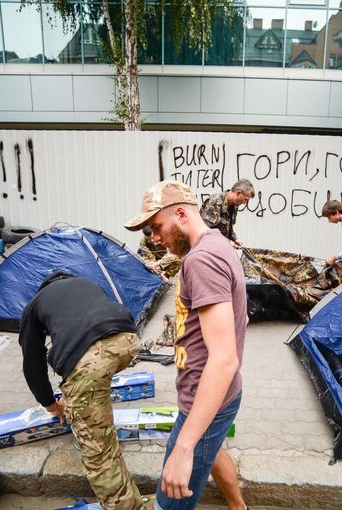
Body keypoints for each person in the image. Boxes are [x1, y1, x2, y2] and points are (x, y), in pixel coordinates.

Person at [125, 181, 247, 510]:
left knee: (170, 499)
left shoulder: (201, 260)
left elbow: (223, 360)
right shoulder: (218, 245)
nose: (154, 239)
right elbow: (240, 319)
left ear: (181, 213)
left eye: (156, 228)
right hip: (217, 397)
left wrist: (183, 448)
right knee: (213, 450)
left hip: (203, 400)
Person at [18, 270, 145, 510]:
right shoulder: (87, 282)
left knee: (98, 452)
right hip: (129, 340)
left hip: (90, 358)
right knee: (94, 399)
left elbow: (32, 362)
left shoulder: (35, 304)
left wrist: (51, 404)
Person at [200, 179, 255, 248]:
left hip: (220, 248)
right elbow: (205, 231)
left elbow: (227, 227)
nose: (244, 203)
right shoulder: (215, 201)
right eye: (245, 199)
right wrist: (228, 242)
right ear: (238, 193)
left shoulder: (234, 205)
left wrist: (235, 239)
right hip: (206, 248)